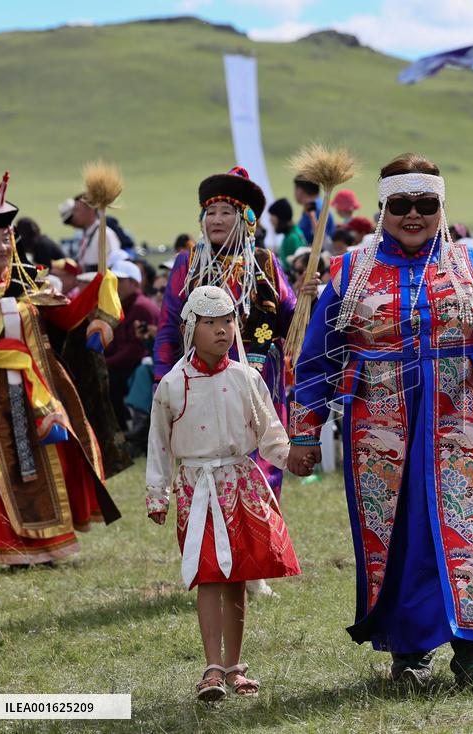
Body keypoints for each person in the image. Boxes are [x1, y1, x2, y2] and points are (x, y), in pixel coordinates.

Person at [288, 153, 473, 688]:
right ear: (381, 208)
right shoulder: (351, 272)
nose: (412, 215)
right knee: (398, 540)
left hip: (463, 424)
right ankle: (408, 651)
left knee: (472, 531)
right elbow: (318, 358)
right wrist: (305, 431)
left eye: (425, 204)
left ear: (441, 206)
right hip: (380, 431)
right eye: (400, 205)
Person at [146, 285, 300, 701]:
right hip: (198, 489)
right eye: (210, 323)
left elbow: (270, 434)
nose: (221, 331)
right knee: (209, 575)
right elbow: (158, 443)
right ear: (190, 328)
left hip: (241, 485)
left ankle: (234, 666)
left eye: (227, 321)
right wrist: (157, 493)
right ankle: (212, 667)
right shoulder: (173, 384)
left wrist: (293, 458)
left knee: (237, 577)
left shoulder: (247, 378)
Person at [0, 173, 121, 565]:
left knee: (45, 463)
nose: (3, 247)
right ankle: (7, 547)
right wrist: (4, 332)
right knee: (6, 468)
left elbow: (67, 315)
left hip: (39, 392)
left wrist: (99, 284)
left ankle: (50, 544)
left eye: (7, 239)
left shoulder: (27, 284)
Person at [155, 167, 296, 509]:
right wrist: (162, 376)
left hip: (257, 377)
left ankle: (261, 527)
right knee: (207, 456)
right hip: (198, 377)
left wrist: (308, 297)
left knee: (260, 455)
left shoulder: (264, 263)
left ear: (246, 218)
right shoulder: (187, 263)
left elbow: (291, 317)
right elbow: (170, 321)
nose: (215, 219)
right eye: (210, 212)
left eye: (226, 212)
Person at [105, 259, 159, 428]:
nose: (115, 285)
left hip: (136, 365)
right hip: (125, 364)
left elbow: (135, 351)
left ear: (134, 283)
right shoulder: (124, 305)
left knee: (109, 382)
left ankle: (122, 429)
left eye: (120, 281)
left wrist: (106, 363)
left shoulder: (141, 307)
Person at [69, 193, 122, 271]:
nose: (74, 215)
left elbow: (113, 267)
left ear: (91, 210)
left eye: (77, 210)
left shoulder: (105, 235)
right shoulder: (86, 234)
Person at [293, 176, 335, 247]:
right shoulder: (314, 205)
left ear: (300, 190)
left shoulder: (316, 208)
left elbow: (321, 239)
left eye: (295, 189)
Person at [269, 198, 304, 272]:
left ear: (281, 217)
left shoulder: (292, 238)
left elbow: (293, 269)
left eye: (273, 216)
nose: (270, 220)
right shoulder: (292, 233)